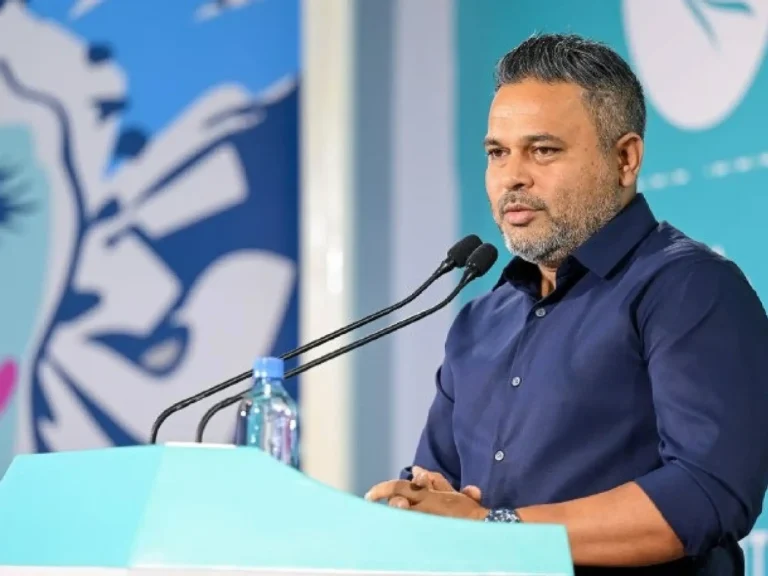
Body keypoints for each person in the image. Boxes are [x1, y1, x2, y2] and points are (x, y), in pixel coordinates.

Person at [365, 33, 768, 575]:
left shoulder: (688, 288)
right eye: (497, 153)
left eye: (543, 150)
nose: (513, 176)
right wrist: (417, 505)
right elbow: (438, 491)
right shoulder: (480, 320)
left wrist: (495, 529)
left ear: (625, 158)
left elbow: (706, 492)